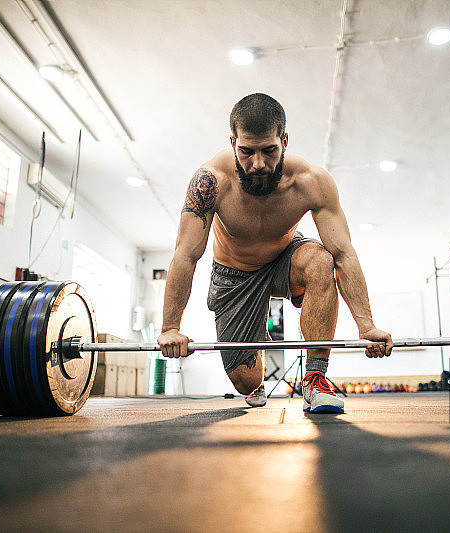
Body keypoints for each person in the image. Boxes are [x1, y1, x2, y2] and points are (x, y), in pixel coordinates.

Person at [157, 93, 393, 413]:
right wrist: (170, 326)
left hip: (285, 257)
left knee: (321, 261)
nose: (258, 164)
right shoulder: (211, 181)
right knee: (247, 382)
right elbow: (185, 255)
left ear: (284, 140)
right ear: (232, 142)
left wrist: (367, 326)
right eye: (246, 151)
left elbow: (344, 254)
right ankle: (255, 351)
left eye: (269, 151)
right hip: (234, 274)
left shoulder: (311, 181)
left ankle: (315, 378)